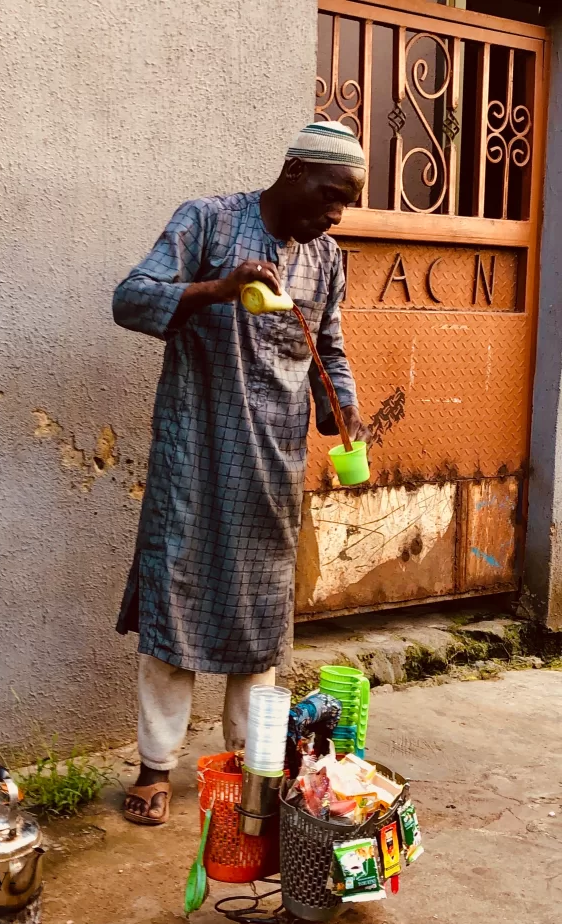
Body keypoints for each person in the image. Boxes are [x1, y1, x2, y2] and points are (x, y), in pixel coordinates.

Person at [112, 121, 370, 825]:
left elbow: (331, 348)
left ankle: (250, 766)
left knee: (259, 624)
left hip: (274, 465)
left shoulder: (326, 258)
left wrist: (341, 410)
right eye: (329, 195)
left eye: (346, 202)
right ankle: (155, 768)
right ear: (291, 171)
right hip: (195, 452)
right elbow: (130, 299)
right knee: (176, 604)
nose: (336, 213)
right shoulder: (206, 220)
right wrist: (219, 288)